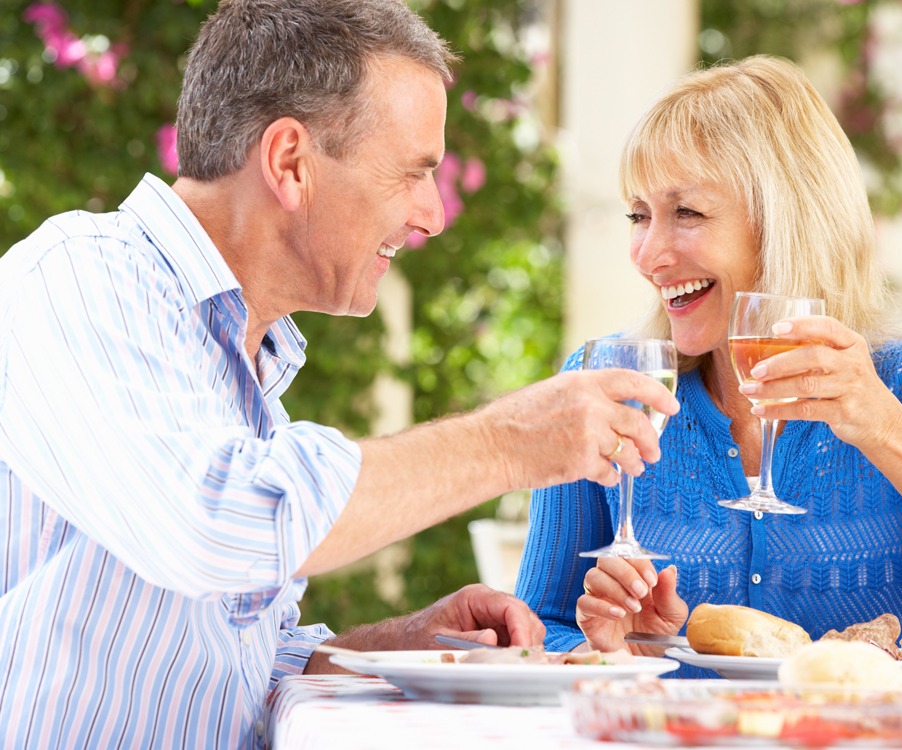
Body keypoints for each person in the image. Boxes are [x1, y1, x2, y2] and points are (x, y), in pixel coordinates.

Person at [0, 1, 679, 747]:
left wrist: (390, 644)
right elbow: (209, 527)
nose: (432, 214)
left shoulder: (236, 359)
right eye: (414, 172)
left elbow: (223, 661)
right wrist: (509, 442)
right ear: (290, 162)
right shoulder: (75, 280)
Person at [515, 55, 902, 673]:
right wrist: (619, 656)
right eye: (639, 214)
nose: (648, 254)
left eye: (688, 213)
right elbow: (539, 627)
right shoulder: (612, 389)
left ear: (787, 225)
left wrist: (884, 426)